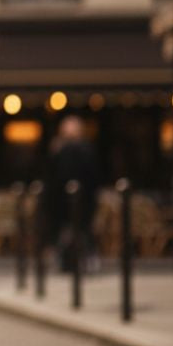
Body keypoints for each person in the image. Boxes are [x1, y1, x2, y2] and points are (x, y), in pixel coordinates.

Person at [45, 115, 100, 273]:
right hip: (62, 203)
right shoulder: (60, 150)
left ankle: (85, 261)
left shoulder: (84, 149)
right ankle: (65, 261)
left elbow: (92, 176)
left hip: (82, 201)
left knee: (82, 232)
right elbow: (51, 177)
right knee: (65, 234)